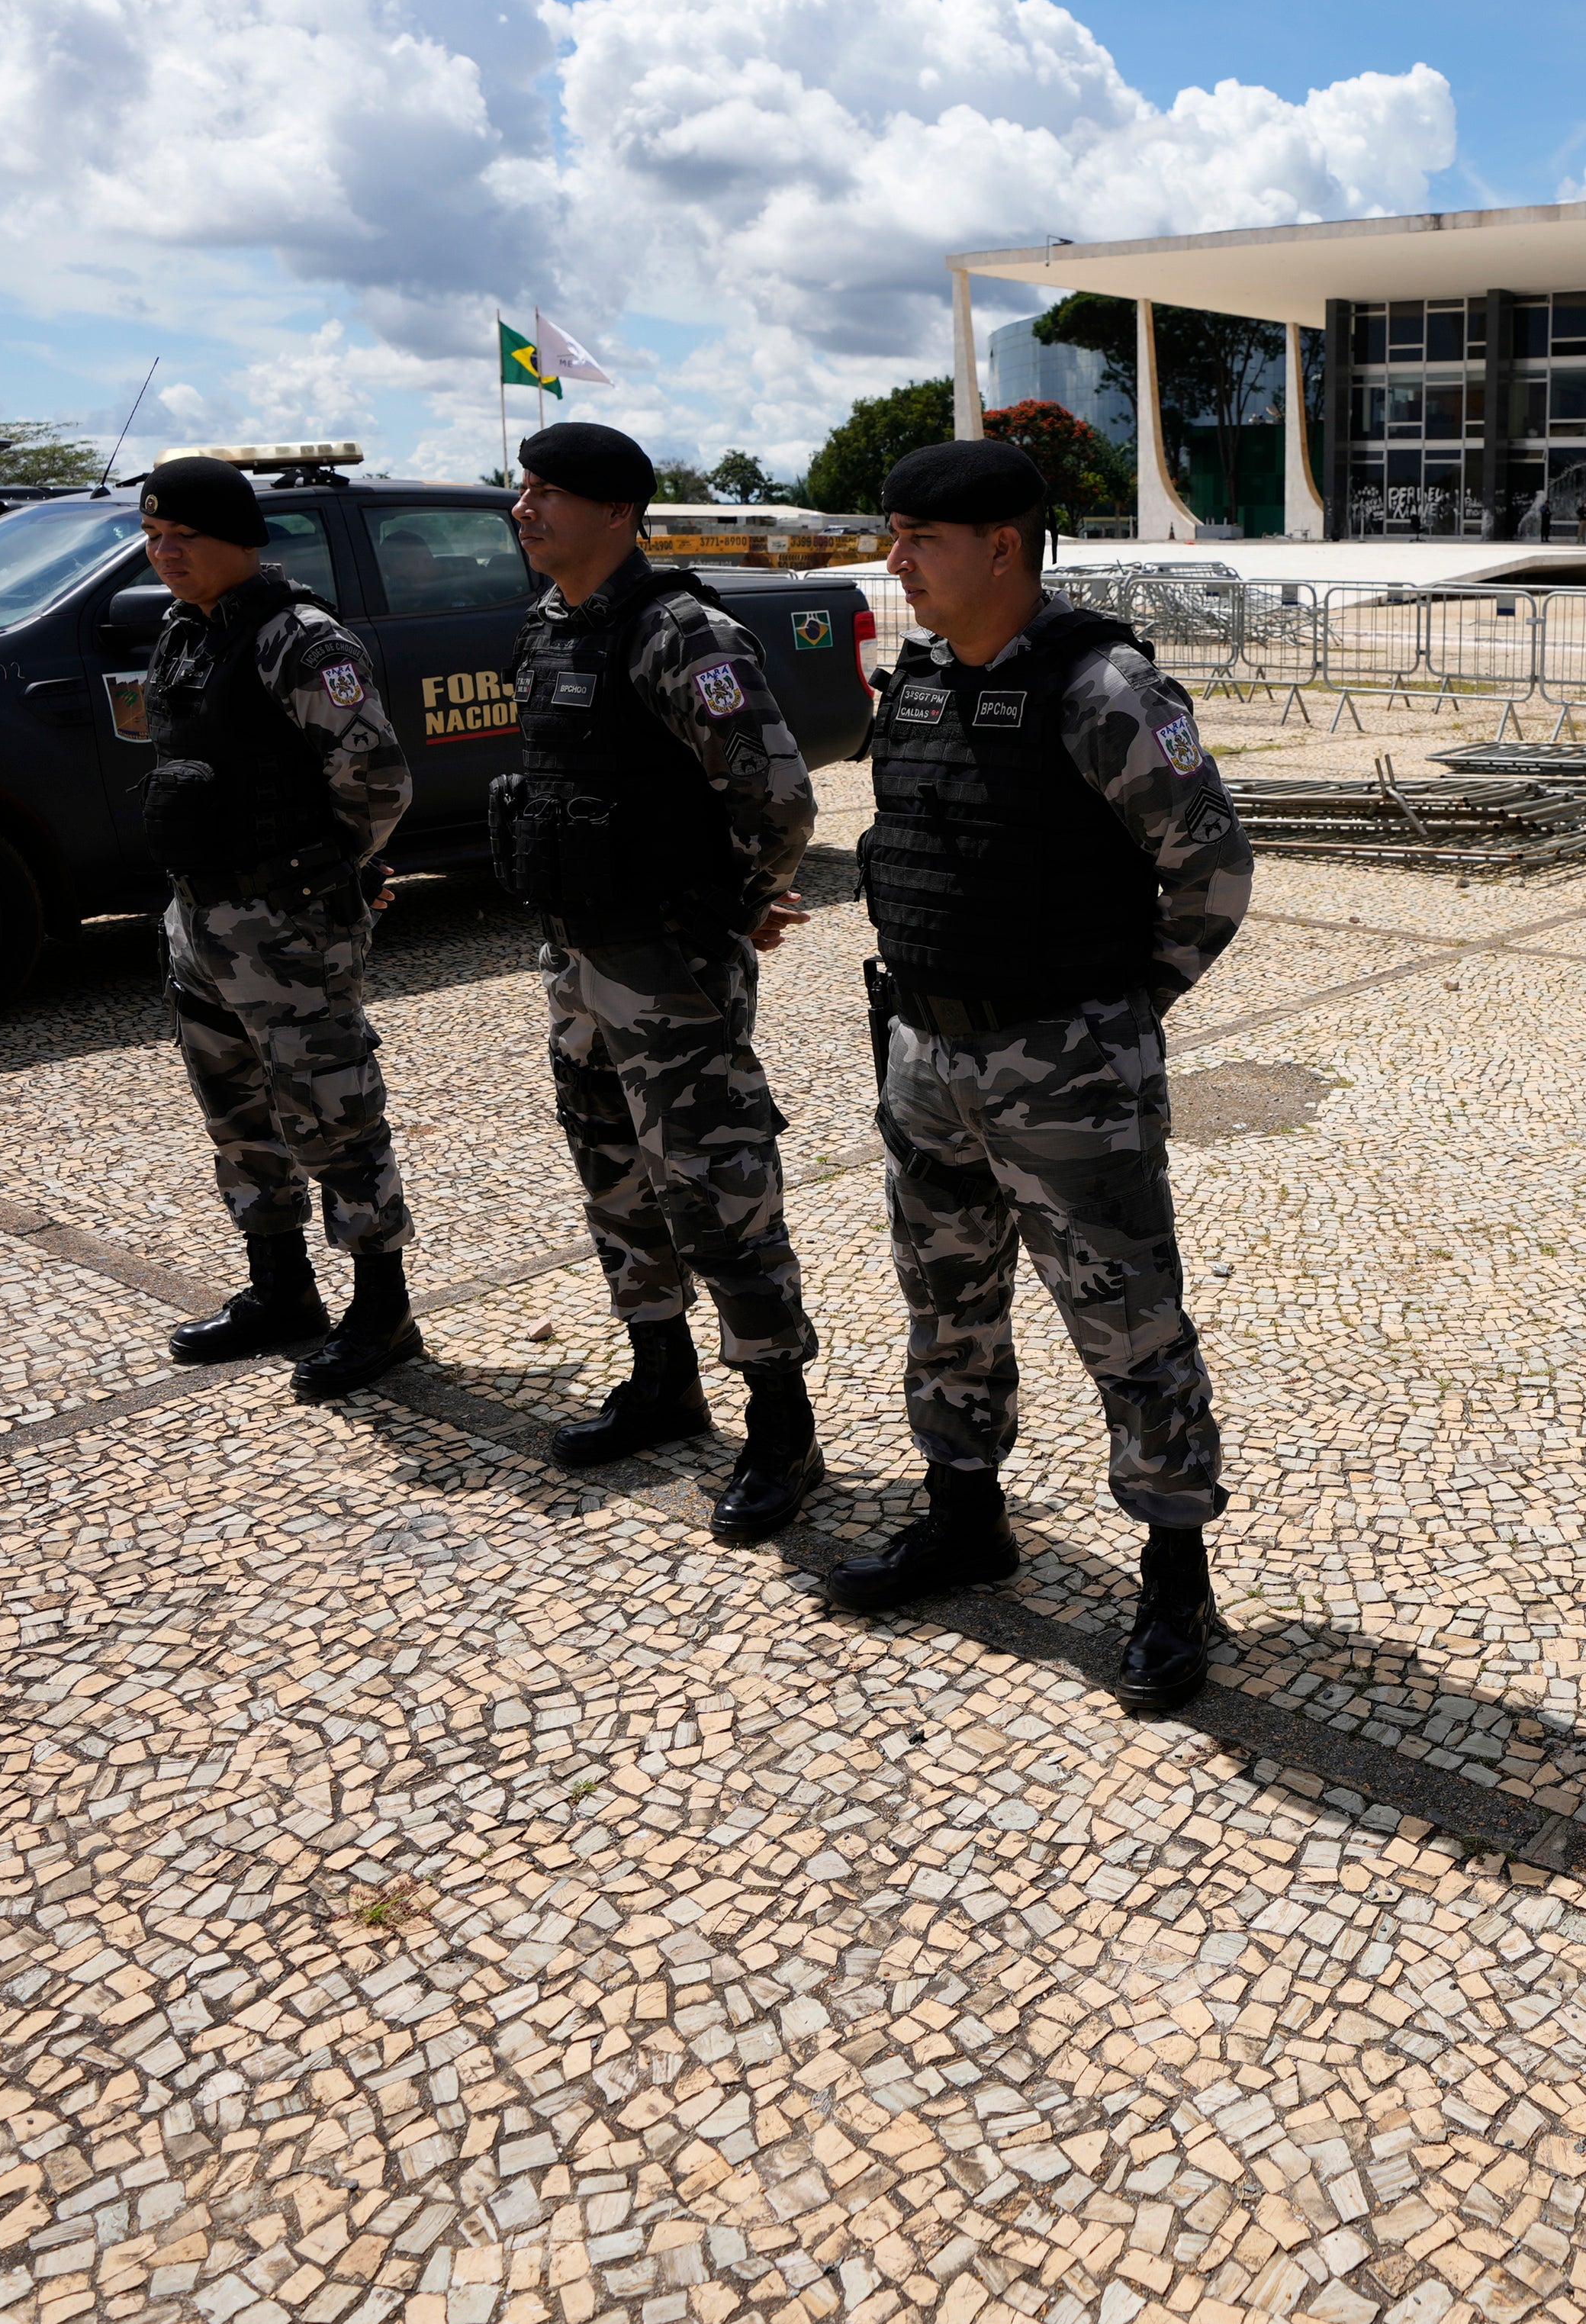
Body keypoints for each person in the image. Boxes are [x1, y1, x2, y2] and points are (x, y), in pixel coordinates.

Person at [826, 438, 1256, 1716]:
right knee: (945, 1296)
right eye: (892, 534)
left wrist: (1113, 1014)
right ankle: (964, 1514)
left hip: (1062, 1061)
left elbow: (1213, 874)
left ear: (1001, 546)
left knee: (1126, 1317)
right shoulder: (913, 684)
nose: (895, 560)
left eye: (920, 538)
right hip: (925, 1053)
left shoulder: (1105, 688)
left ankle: (1175, 1574)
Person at [491, 420, 831, 1540]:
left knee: (718, 1187)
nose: (524, 509)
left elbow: (777, 797)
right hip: (578, 957)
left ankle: (783, 1428)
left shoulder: (681, 634)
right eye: (522, 489)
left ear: (618, 513)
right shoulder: (549, 630)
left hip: (672, 965)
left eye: (548, 493)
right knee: (611, 1168)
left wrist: (732, 909)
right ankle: (661, 1378)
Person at [135, 454, 423, 1399]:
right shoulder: (185, 633)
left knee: (332, 1108)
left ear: (240, 542)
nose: (164, 552)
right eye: (153, 535)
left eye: (184, 537)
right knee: (237, 1111)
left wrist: (322, 874)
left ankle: (382, 1309)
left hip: (286, 918)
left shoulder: (302, 642)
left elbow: (376, 782)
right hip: (199, 914)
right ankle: (281, 1291)